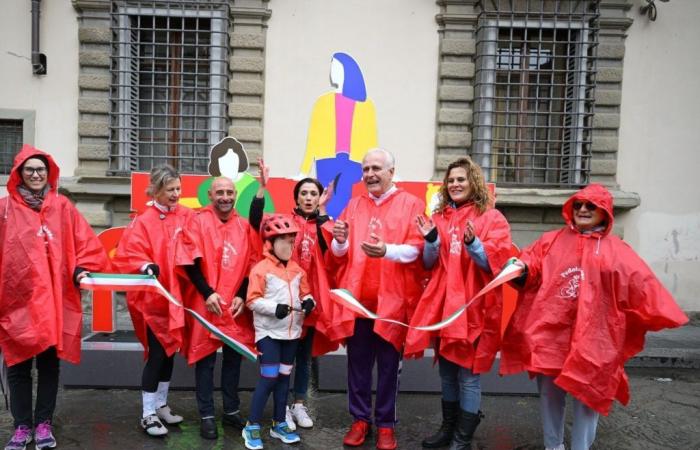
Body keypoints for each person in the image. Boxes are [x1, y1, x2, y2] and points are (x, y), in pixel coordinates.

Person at [500, 183, 688, 450]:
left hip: (595, 340)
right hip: (551, 335)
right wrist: (517, 267)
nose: (583, 210)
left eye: (591, 206)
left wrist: (661, 314)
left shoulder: (617, 250)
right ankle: (552, 446)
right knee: (549, 396)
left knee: (589, 396)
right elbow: (531, 265)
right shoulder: (551, 241)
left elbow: (641, 284)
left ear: (605, 212)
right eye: (578, 205)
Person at [0, 145, 109, 450]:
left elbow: (84, 243)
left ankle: (44, 423)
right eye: (30, 170)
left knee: (49, 365)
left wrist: (81, 270)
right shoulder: (5, 209)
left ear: (49, 174)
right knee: (18, 366)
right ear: (19, 174)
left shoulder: (62, 207)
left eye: (41, 170)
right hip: (16, 303)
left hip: (53, 303)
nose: (36, 175)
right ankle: (21, 426)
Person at [405, 157, 512, 450]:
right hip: (444, 308)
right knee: (447, 372)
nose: (455, 184)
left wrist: (474, 245)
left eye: (461, 179)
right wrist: (430, 239)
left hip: (474, 307)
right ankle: (448, 429)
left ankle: (462, 438)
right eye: (451, 180)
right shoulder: (439, 218)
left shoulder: (492, 218)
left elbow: (495, 264)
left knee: (468, 375)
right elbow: (429, 264)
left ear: (473, 181)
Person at [329, 148, 425, 450]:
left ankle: (385, 424)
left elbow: (417, 249)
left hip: (392, 304)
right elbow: (338, 253)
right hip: (359, 303)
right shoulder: (354, 205)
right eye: (366, 169)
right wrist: (340, 240)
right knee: (356, 365)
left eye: (376, 169)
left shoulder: (412, 204)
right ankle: (359, 420)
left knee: (387, 368)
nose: (369, 174)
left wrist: (388, 251)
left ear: (391, 172)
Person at [249, 160, 337, 431]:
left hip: (310, 300)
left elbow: (331, 250)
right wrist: (262, 188)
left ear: (320, 198)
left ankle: (299, 404)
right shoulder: (285, 222)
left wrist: (323, 212)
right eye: (304, 193)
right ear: (296, 197)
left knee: (305, 356)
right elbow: (255, 222)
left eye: (314, 193)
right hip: (281, 303)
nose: (309, 198)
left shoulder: (326, 223)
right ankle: (282, 407)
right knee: (281, 357)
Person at [177, 177, 259, 439]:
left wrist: (241, 296)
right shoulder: (197, 221)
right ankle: (207, 415)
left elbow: (252, 264)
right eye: (220, 192)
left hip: (234, 305)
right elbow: (189, 262)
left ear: (236, 195)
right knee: (205, 360)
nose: (225, 196)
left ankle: (231, 410)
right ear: (210, 196)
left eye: (229, 192)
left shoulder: (244, 227)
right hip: (206, 303)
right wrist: (207, 293)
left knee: (233, 359)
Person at [113, 165, 192, 437]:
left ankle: (161, 405)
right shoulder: (143, 220)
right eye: (170, 189)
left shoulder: (186, 216)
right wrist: (146, 264)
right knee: (157, 354)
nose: (176, 194)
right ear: (156, 190)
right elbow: (128, 252)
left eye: (178, 188)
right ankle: (147, 413)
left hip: (176, 298)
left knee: (170, 353)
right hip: (152, 300)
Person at [242, 214, 316, 450]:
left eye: (292, 242)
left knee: (285, 379)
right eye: (283, 241)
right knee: (269, 378)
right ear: (270, 243)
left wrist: (309, 302)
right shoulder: (260, 269)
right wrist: (275, 309)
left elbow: (306, 293)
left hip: (292, 334)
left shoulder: (297, 269)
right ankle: (251, 425)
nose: (289, 246)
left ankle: (279, 423)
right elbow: (252, 300)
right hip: (269, 335)